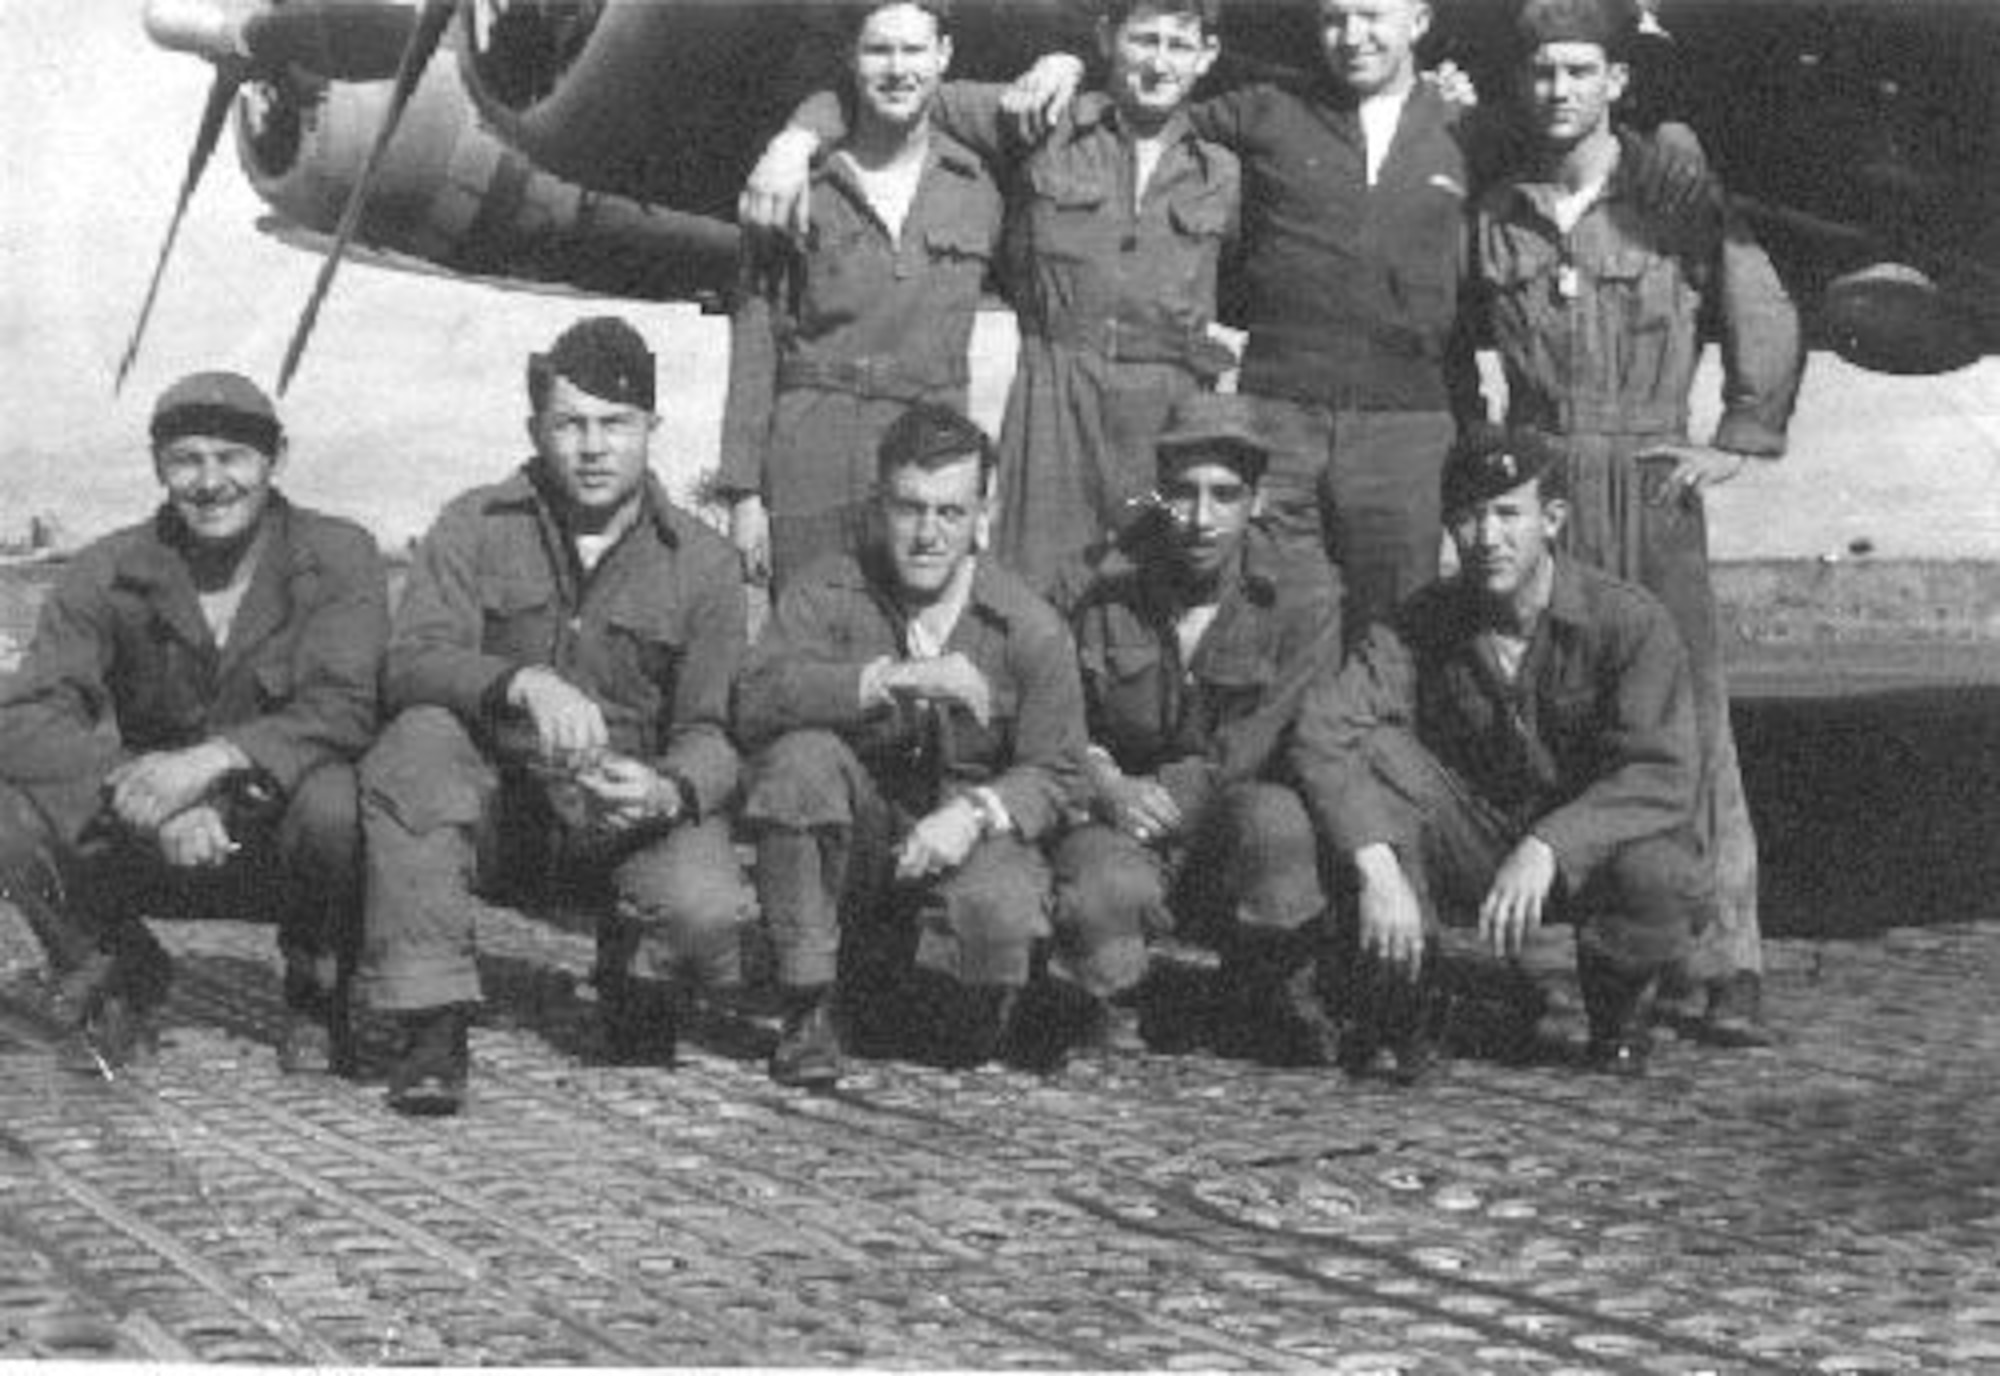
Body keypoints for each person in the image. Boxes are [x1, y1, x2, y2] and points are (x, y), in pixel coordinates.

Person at [1460, 0, 1801, 1046]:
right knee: (1533, 706)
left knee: (1688, 719)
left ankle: (1725, 957)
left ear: (1616, 82)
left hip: (1647, 482)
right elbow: (1449, 335)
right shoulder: (1498, 213)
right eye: (1541, 74)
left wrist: (1737, 440)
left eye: (1578, 71)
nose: (1557, 91)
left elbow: (1763, 313)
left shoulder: (1674, 198)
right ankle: (1562, 944)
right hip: (1545, 477)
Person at [358, 317, 750, 1115]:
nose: (594, 447)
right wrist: (518, 681)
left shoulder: (706, 565)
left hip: (623, 822)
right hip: (502, 811)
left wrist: (666, 789)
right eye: (571, 424)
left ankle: (636, 977)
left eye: (617, 424)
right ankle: (431, 1020)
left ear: (652, 430)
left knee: (708, 904)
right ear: (536, 429)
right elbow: (409, 661)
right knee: (417, 745)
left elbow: (717, 729)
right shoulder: (473, 525)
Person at [743, 0, 1241, 588]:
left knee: (1149, 589)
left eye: (1179, 45)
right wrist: (794, 143)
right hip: (1054, 397)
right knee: (1032, 589)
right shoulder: (1043, 121)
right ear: (1108, 38)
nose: (1159, 63)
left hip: (1159, 416)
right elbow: (894, 90)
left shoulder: (1221, 169)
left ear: (1207, 55)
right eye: (1144, 40)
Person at [1292, 426, 1713, 1080]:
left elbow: (1661, 771)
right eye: (1466, 517)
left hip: (1584, 854)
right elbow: (1324, 728)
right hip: (1474, 841)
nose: (1486, 538)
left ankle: (1617, 1008)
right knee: (1373, 748)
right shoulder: (1423, 621)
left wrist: (1551, 846)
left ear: (1552, 520)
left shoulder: (1628, 622)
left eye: (1506, 514)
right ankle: (1408, 993)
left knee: (1661, 869)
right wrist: (1376, 869)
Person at [0, 371, 387, 1072]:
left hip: (281, 839)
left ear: (275, 460)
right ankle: (109, 968)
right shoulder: (106, 567)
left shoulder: (338, 555)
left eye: (232, 458)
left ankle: (315, 993)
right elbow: (26, 713)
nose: (210, 483)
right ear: (158, 467)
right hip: (159, 835)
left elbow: (346, 704)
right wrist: (142, 791)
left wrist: (210, 762)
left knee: (337, 800)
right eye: (186, 460)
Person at [734, 403, 1086, 1089]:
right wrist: (884, 680)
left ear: (983, 513)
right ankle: (807, 1002)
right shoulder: (827, 593)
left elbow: (1061, 770)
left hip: (964, 846)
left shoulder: (1027, 627)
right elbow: (754, 699)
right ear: (878, 506)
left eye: (950, 513)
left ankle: (950, 986)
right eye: (909, 509)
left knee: (965, 1004)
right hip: (858, 840)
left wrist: (979, 811)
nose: (928, 534)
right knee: (800, 762)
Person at [1050, 393, 1347, 1065]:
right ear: (1158, 494)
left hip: (1228, 823)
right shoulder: (1093, 585)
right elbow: (1054, 716)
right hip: (1114, 818)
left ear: (1258, 500)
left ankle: (1266, 983)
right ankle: (1111, 995)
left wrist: (1164, 797)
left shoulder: (1306, 598)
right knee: (1101, 890)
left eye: (1225, 495)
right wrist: (1106, 784)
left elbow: (1264, 741)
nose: (1202, 519)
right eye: (1183, 494)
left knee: (1277, 825)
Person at [718, 0, 1003, 591]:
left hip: (928, 466)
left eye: (914, 50)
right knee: (807, 646)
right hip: (811, 458)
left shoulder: (978, 187)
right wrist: (743, 493)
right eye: (879, 50)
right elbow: (754, 339)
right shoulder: (795, 187)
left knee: (917, 650)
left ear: (944, 56)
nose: (897, 69)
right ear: (850, 58)